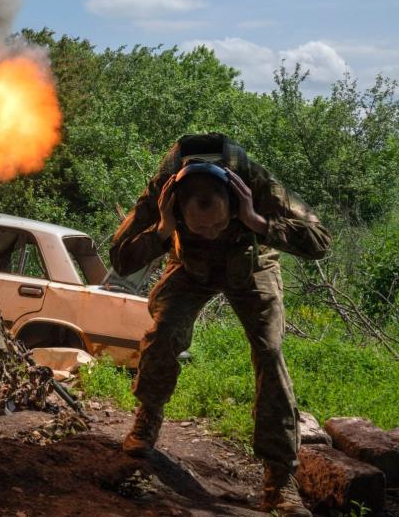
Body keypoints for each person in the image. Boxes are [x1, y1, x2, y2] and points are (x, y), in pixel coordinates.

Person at [110, 133, 331, 517]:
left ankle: (279, 480)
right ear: (177, 208)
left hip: (251, 265)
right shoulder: (163, 189)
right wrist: (163, 230)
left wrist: (256, 222)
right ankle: (148, 417)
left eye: (216, 226)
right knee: (163, 334)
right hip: (189, 266)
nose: (210, 233)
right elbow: (121, 256)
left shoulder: (255, 183)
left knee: (270, 352)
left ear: (235, 199)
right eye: (200, 227)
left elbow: (320, 239)